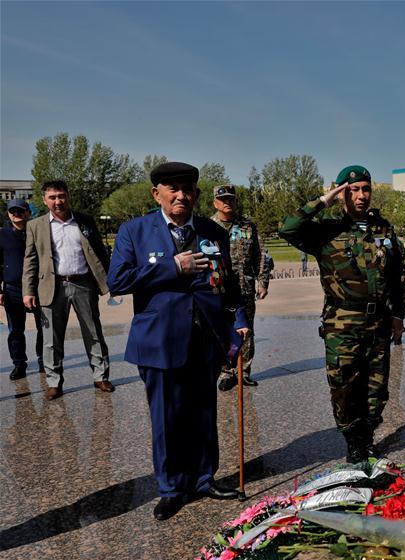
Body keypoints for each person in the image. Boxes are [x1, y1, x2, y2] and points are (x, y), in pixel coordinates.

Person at [107, 162, 249, 521]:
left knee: (204, 412)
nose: (181, 195)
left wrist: (241, 322)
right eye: (173, 189)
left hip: (204, 337)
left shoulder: (210, 232)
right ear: (157, 194)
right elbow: (118, 280)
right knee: (167, 418)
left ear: (197, 194)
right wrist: (172, 267)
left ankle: (204, 477)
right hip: (160, 339)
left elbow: (228, 283)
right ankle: (171, 488)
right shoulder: (134, 231)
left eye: (188, 189)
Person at [279, 165, 405, 463]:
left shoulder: (384, 229)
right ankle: (353, 442)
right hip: (343, 323)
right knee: (344, 386)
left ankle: (368, 436)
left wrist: (398, 315)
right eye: (353, 190)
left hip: (378, 323)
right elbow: (287, 228)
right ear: (341, 194)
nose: (361, 196)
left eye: (366, 189)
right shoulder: (326, 229)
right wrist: (324, 200)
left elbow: (397, 277)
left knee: (377, 387)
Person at [22, 180, 114, 399]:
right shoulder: (35, 226)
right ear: (44, 200)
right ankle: (54, 382)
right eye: (52, 197)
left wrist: (111, 279)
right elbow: (30, 260)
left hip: (83, 283)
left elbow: (100, 251)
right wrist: (28, 290)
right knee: (51, 338)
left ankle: (101, 377)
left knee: (93, 332)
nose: (58, 201)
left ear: (68, 196)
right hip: (51, 287)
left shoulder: (84, 221)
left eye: (61, 196)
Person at [210, 184, 271, 390]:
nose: (227, 202)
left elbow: (260, 256)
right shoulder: (208, 227)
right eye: (223, 199)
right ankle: (227, 372)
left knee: (246, 331)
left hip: (244, 288)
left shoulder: (247, 226)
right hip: (216, 290)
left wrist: (262, 282)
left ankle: (244, 371)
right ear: (215, 203)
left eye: (231, 199)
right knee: (221, 332)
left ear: (236, 202)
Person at [1, 199, 43, 379]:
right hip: (13, 289)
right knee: (15, 330)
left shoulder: (39, 232)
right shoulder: (2, 234)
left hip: (40, 287)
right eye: (12, 211)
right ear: (8, 214)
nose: (16, 214)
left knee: (45, 328)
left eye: (20, 211)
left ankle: (44, 361)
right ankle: (19, 364)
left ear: (28, 213)